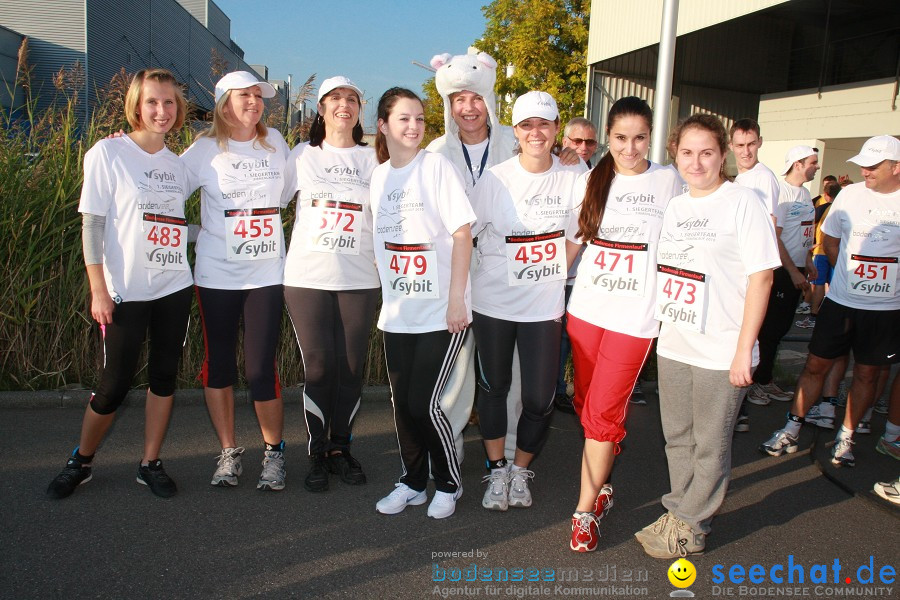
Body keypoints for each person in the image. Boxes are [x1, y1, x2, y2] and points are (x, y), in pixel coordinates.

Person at [426, 49, 581, 460]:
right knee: (458, 373)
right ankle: (451, 446)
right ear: (449, 105)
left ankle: (512, 453)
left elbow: (551, 172)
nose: (469, 107)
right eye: (459, 99)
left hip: (513, 276)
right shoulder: (436, 153)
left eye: (476, 98)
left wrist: (566, 155)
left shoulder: (512, 142)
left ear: (488, 101)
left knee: (513, 377)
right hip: (457, 271)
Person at [636, 113, 778, 559]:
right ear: (674, 154)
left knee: (710, 443)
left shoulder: (742, 202)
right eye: (687, 153)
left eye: (707, 153)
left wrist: (743, 352)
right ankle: (680, 509)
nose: (696, 162)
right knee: (677, 435)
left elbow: (762, 279)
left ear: (723, 156)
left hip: (722, 347)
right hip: (677, 342)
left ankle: (693, 525)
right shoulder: (677, 204)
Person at [47, 69, 193, 499]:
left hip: (173, 287)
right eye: (152, 102)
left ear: (178, 110)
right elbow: (92, 225)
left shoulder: (177, 165)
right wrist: (98, 289)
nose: (161, 111)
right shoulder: (107, 153)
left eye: (169, 103)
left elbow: (172, 225)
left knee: (164, 377)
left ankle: (150, 463)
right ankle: (82, 460)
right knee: (113, 385)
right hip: (124, 292)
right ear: (136, 105)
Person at [564, 97, 682, 551]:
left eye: (638, 138)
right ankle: (603, 476)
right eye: (619, 138)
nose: (629, 148)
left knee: (602, 414)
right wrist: (547, 287)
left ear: (650, 137)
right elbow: (576, 241)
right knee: (585, 403)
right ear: (607, 138)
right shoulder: (593, 177)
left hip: (635, 318)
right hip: (587, 312)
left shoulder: (668, 180)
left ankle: (583, 511)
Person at [470, 91, 587, 514]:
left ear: (556, 130)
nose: (535, 133)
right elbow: (467, 231)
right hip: (493, 302)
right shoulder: (496, 178)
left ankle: (521, 469)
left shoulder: (576, 176)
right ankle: (497, 467)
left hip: (543, 306)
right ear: (515, 132)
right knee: (494, 387)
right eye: (526, 126)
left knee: (539, 398)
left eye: (543, 124)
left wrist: (556, 270)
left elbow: (579, 233)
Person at [760, 135, 900, 468]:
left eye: (873, 165)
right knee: (815, 365)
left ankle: (846, 437)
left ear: (896, 167)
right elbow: (831, 240)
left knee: (867, 374)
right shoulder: (850, 194)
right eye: (862, 164)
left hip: (884, 310)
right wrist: (844, 276)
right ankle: (792, 426)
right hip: (841, 302)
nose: (865, 170)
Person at [181, 71, 290, 490]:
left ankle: (274, 453)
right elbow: (165, 190)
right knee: (219, 364)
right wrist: (200, 232)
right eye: (244, 96)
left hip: (266, 274)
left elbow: (287, 194)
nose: (254, 103)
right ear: (225, 102)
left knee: (262, 366)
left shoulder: (276, 142)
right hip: (216, 275)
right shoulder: (204, 150)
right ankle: (228, 452)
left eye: (259, 96)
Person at [370, 87, 475, 519]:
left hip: (439, 312)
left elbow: (462, 234)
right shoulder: (378, 177)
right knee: (402, 404)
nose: (413, 126)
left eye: (419, 118)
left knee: (424, 403)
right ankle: (412, 481)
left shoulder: (436, 168)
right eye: (403, 119)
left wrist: (456, 302)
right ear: (383, 126)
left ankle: (448, 482)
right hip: (398, 312)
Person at [281, 76, 379, 492]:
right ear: (320, 109)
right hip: (307, 278)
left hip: (360, 278)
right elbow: (264, 198)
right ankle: (316, 451)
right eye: (335, 99)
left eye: (352, 99)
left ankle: (342, 447)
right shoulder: (301, 155)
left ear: (360, 109)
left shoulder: (375, 157)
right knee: (319, 366)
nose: (344, 105)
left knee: (352, 368)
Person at [745, 146, 818, 410]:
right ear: (797, 164)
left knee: (782, 328)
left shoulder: (806, 193)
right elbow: (775, 237)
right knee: (770, 329)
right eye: (812, 162)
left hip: (797, 269)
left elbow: (802, 233)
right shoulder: (782, 193)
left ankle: (765, 378)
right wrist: (792, 270)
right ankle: (755, 382)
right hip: (782, 271)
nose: (817, 167)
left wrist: (807, 261)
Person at [728, 119, 782, 431]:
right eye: (740, 145)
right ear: (732, 146)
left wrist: (759, 273)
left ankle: (740, 411)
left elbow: (770, 227)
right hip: (737, 271)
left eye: (751, 144)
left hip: (750, 273)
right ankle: (739, 410)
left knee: (746, 337)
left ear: (759, 142)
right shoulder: (742, 178)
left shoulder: (763, 179)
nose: (746, 151)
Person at [796, 180, 841, 329]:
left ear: (826, 194)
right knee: (833, 284)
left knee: (818, 284)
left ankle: (814, 315)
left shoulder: (822, 208)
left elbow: (806, 226)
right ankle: (831, 317)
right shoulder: (843, 209)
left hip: (822, 251)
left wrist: (809, 245)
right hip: (837, 252)